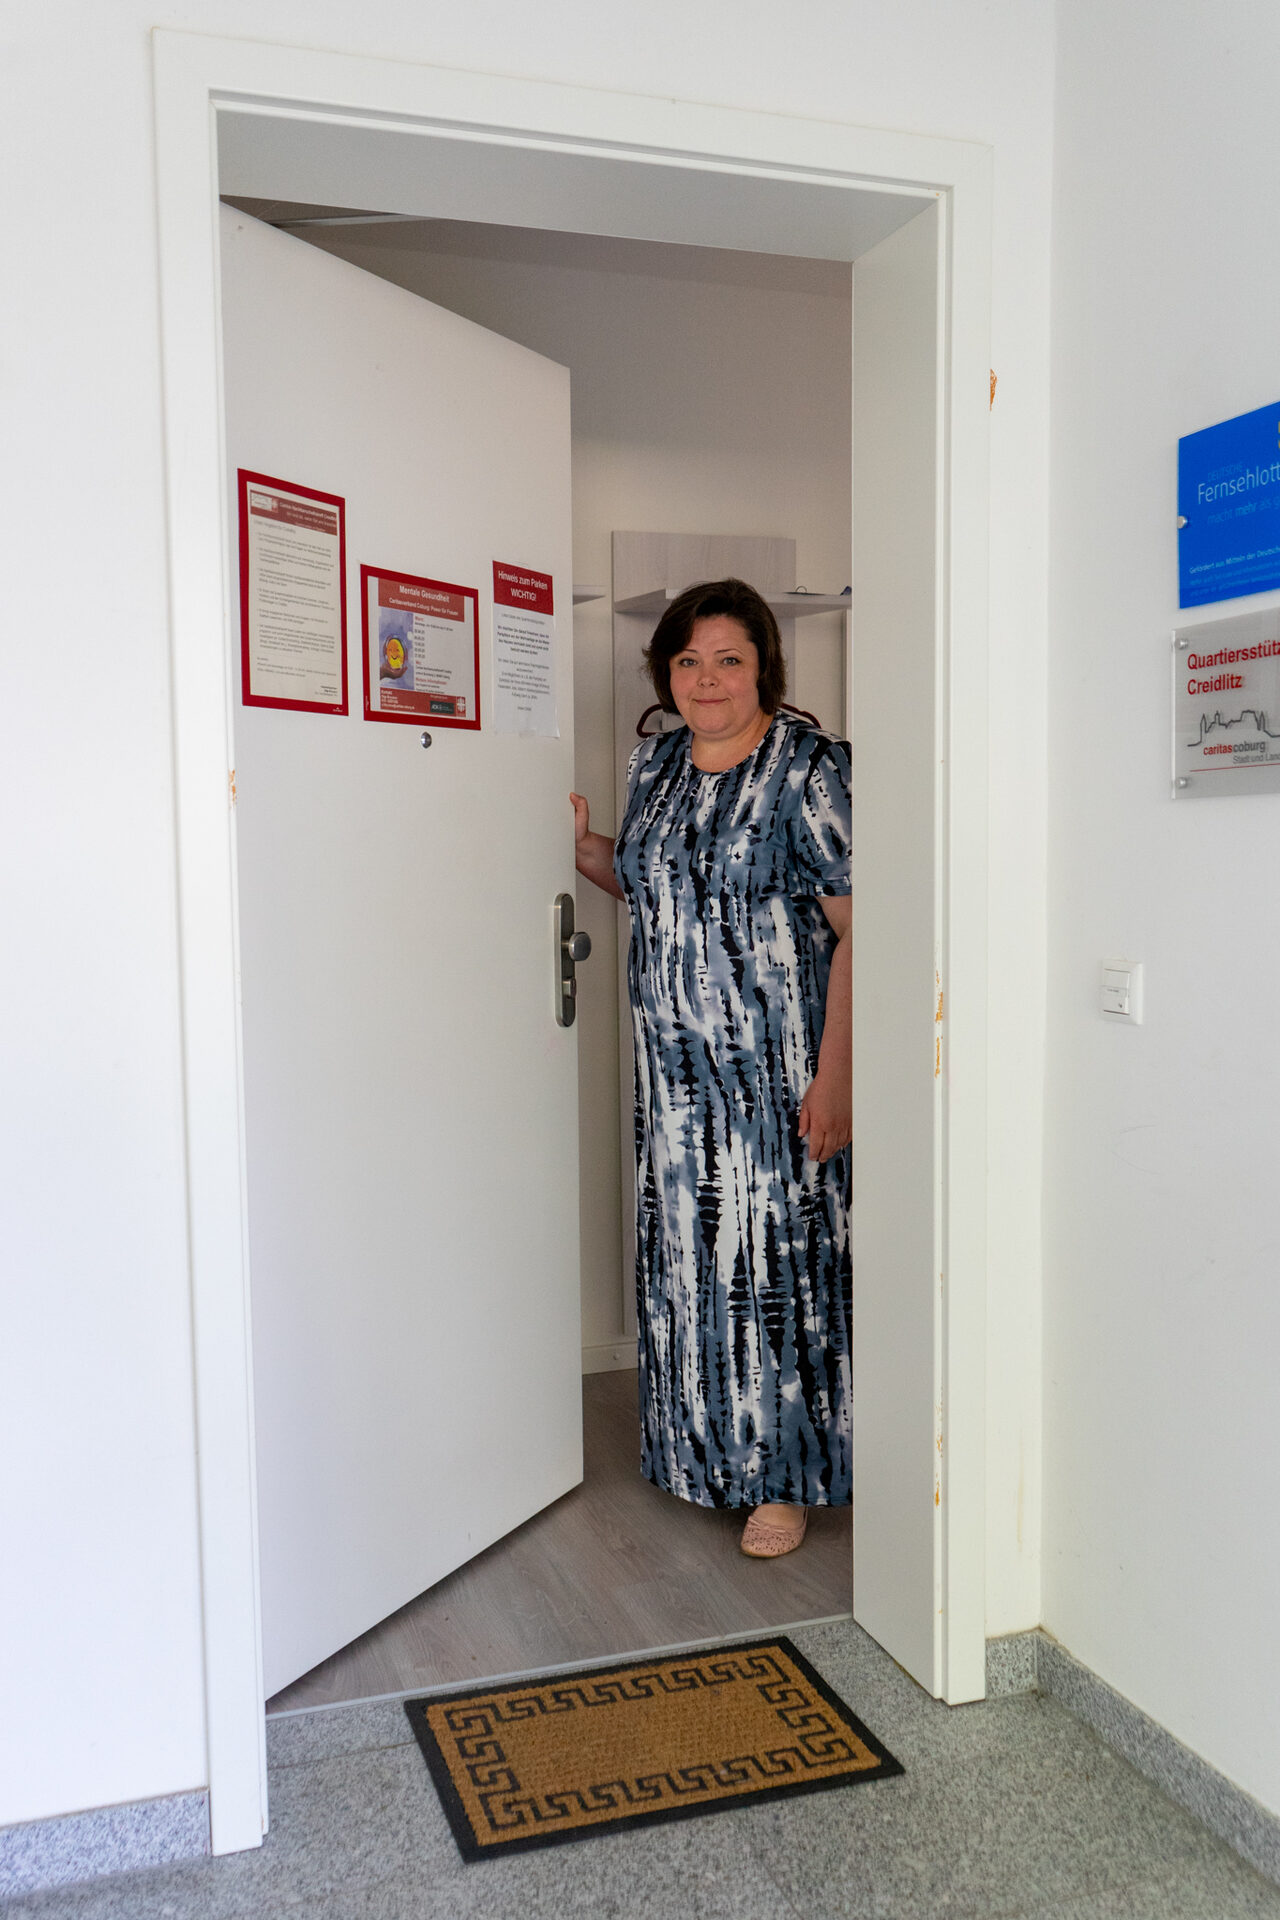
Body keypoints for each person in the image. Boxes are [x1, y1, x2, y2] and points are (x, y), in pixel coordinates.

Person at [571, 577, 851, 1559]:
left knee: (774, 1270)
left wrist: (837, 1078)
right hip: (673, 1083)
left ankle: (783, 1479)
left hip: (778, 1081)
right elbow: (653, 882)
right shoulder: (653, 764)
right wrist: (584, 847)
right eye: (687, 661)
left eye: (728, 659)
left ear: (764, 667)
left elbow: (860, 930)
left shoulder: (810, 767)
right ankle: (701, 1459)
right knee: (691, 1271)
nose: (705, 679)